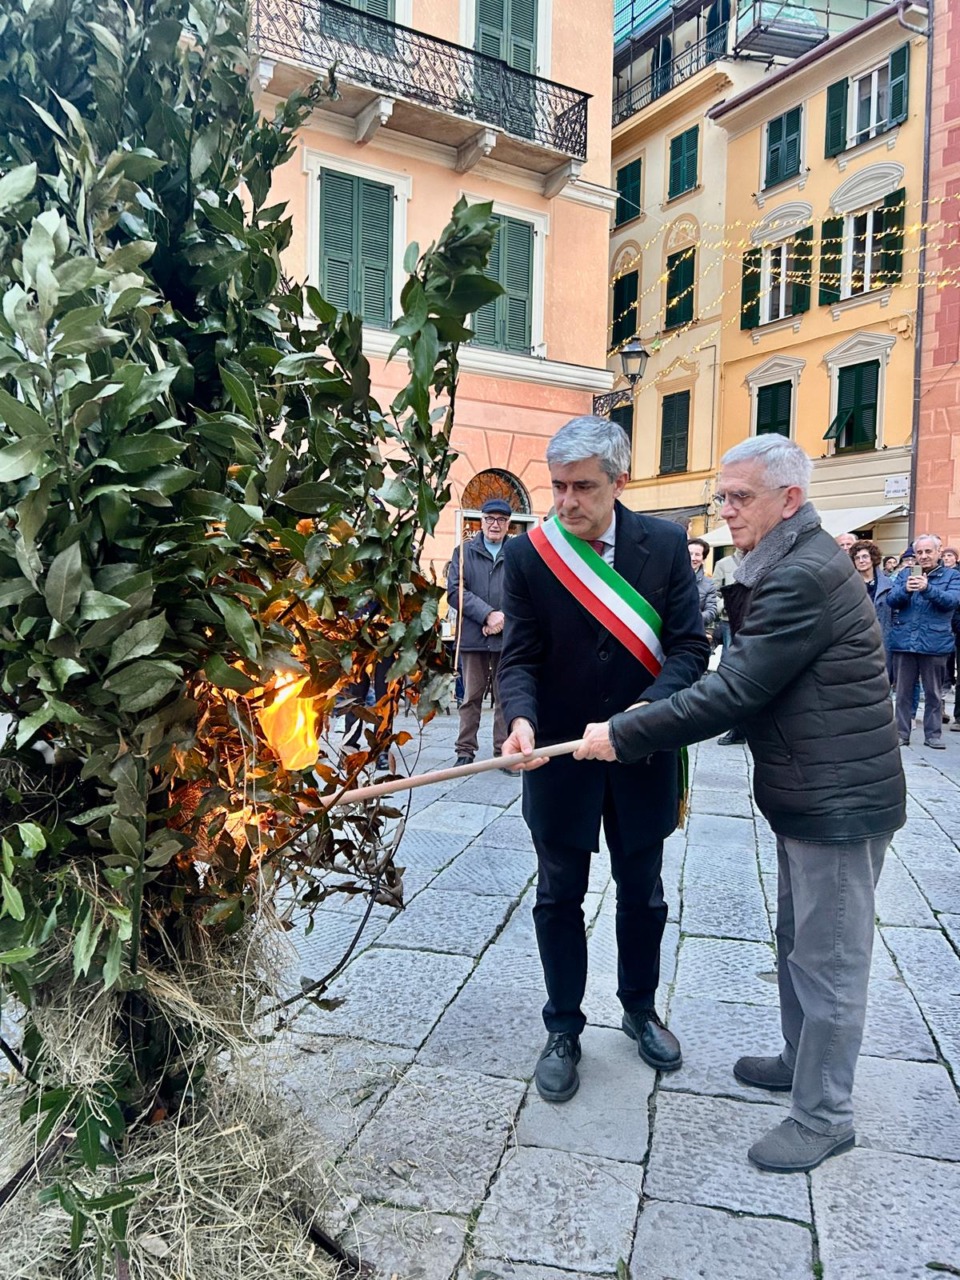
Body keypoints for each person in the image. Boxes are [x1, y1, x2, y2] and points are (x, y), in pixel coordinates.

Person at [574, 435, 905, 1174]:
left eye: (739, 497)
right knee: (799, 942)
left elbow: (734, 690)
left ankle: (824, 1116)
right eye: (721, 497)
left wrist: (622, 733)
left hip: (838, 798)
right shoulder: (789, 562)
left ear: (789, 499)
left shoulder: (805, 575)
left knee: (830, 960)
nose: (724, 511)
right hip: (808, 788)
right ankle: (799, 1059)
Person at [498, 416, 709, 1103]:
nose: (566, 502)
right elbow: (520, 655)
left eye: (582, 487)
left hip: (642, 755)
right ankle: (562, 1027)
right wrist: (520, 720)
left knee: (642, 894)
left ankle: (640, 1008)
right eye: (556, 487)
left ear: (619, 481)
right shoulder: (533, 555)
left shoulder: (667, 544)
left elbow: (688, 650)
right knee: (558, 896)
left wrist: (639, 719)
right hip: (560, 759)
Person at [446, 499, 513, 769]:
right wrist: (487, 614)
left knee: (505, 696)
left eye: (500, 520)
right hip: (474, 637)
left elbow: (526, 593)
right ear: (481, 522)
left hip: (508, 637)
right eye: (489, 519)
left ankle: (504, 751)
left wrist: (503, 619)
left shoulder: (519, 552)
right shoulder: (463, 553)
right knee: (471, 695)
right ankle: (465, 751)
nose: (494, 524)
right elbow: (455, 591)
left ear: (508, 524)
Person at [887, 534, 960, 749]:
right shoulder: (904, 575)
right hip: (904, 641)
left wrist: (928, 589)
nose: (924, 556)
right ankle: (901, 733)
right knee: (902, 693)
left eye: (928, 551)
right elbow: (891, 600)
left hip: (935, 642)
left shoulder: (952, 576)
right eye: (919, 552)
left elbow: (952, 602)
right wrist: (905, 590)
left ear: (939, 552)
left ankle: (933, 735)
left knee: (934, 693)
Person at [711, 546, 748, 744]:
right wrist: (726, 605)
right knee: (731, 670)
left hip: (754, 620)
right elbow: (714, 593)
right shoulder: (723, 564)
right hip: (729, 622)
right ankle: (735, 728)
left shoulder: (762, 559)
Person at [688, 538, 718, 634]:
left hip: (695, 633)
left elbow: (711, 611)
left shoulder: (709, 584)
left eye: (697, 555)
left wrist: (692, 619)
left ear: (703, 559)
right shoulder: (671, 577)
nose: (693, 558)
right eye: (690, 554)